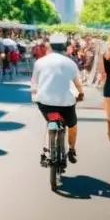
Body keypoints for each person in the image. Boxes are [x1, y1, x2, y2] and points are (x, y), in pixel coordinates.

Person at [31, 33, 84, 163]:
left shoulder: (39, 62)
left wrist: (35, 95)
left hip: (45, 103)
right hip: (66, 103)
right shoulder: (70, 63)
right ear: (65, 47)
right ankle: (71, 149)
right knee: (72, 124)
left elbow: (34, 84)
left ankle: (47, 146)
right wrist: (80, 95)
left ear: (49, 46)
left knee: (49, 120)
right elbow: (77, 85)